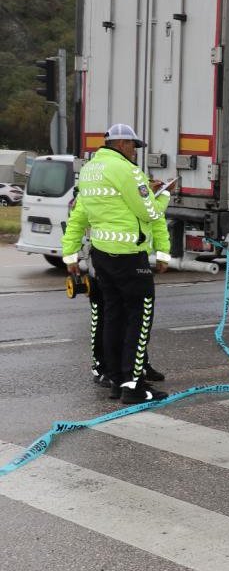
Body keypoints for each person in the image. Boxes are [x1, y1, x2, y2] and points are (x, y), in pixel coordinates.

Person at [61, 124, 170, 404]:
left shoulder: (89, 170)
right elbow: (148, 212)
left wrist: (70, 254)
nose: (135, 151)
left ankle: (116, 380)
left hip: (102, 256)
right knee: (139, 318)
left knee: (113, 317)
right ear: (121, 144)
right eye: (133, 146)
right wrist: (164, 196)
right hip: (129, 256)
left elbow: (80, 215)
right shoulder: (127, 170)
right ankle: (134, 387)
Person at [82, 175, 173, 387]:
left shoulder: (136, 195)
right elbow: (77, 220)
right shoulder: (98, 194)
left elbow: (156, 222)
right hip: (103, 258)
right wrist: (70, 256)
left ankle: (134, 369)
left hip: (124, 258)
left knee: (132, 318)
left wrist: (163, 253)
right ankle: (105, 368)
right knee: (107, 316)